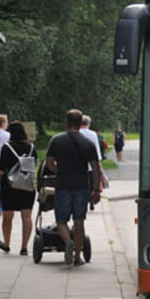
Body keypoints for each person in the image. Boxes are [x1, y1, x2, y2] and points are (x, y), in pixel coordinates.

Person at [46, 109, 100, 266]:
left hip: (63, 185)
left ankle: (67, 241)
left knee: (61, 220)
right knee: (79, 222)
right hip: (82, 186)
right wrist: (96, 189)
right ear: (80, 122)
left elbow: (49, 163)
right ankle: (77, 256)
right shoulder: (88, 143)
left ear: (67, 122)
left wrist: (59, 170)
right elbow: (95, 167)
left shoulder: (56, 140)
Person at [0, 121, 37, 255]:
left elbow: (1, 170)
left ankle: (7, 244)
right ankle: (24, 247)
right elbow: (33, 165)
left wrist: (1, 182)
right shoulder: (31, 147)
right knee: (27, 216)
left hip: (9, 186)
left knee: (7, 217)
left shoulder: (6, 147)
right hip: (27, 186)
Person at [80, 115, 102, 211]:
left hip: (79, 165)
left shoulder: (77, 133)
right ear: (89, 124)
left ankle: (83, 202)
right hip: (91, 165)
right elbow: (96, 149)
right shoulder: (93, 134)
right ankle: (91, 202)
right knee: (91, 184)